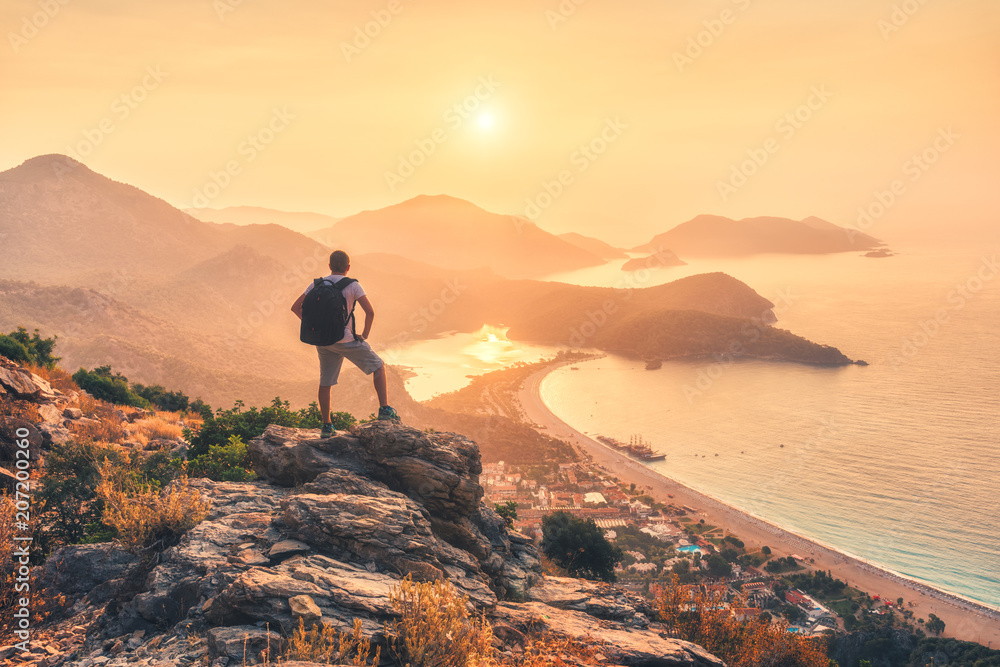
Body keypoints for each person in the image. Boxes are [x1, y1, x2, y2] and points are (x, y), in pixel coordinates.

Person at [291, 250, 399, 435]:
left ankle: (326, 426)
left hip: (324, 342)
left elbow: (295, 308)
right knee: (379, 367)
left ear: (329, 266)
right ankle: (385, 411)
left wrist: (315, 327)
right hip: (346, 340)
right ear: (348, 268)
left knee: (325, 382)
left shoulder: (317, 284)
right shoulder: (354, 286)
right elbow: (370, 312)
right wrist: (363, 335)